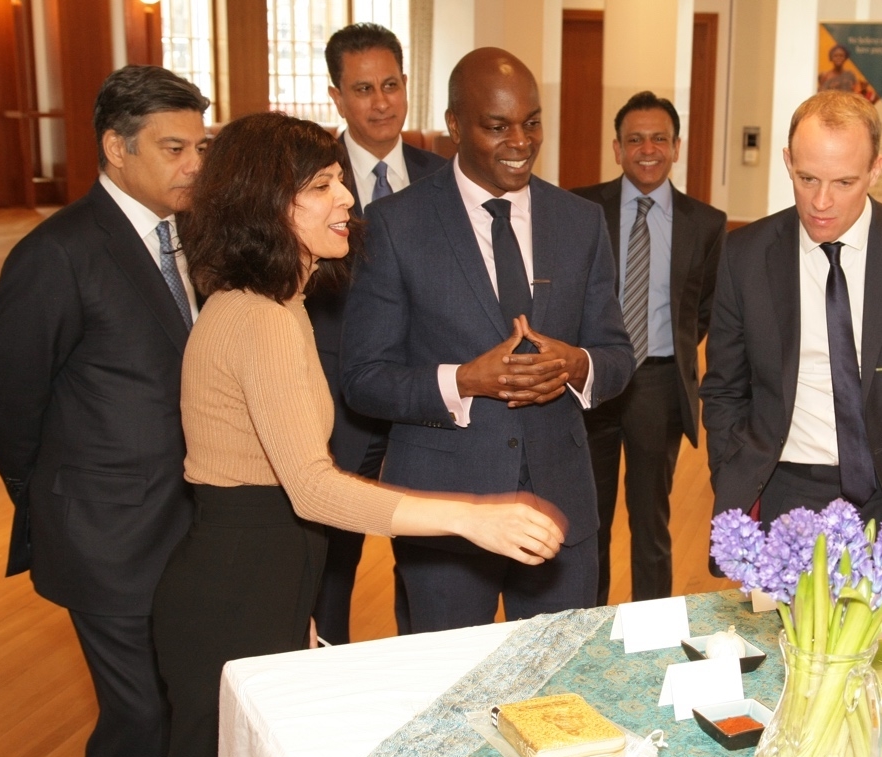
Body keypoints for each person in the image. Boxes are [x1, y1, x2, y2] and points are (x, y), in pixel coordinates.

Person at [141, 112, 564, 757]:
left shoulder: (280, 306)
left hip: (259, 574)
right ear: (269, 204)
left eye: (340, 180)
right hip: (234, 582)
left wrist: (289, 602)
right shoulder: (259, 319)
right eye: (322, 185)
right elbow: (310, 486)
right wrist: (472, 514)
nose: (347, 201)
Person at [0, 66, 208, 757]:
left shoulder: (187, 237)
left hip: (188, 527)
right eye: (173, 147)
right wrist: (61, 502)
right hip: (107, 541)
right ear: (116, 150)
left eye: (199, 146)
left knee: (176, 716)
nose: (193, 164)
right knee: (141, 720)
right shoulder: (59, 253)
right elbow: (10, 404)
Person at [341, 48, 635, 633]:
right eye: (497, 126)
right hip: (446, 511)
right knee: (445, 693)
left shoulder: (579, 221)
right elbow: (363, 379)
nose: (520, 141)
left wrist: (576, 365)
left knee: (557, 690)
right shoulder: (396, 225)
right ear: (455, 125)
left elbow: (617, 355)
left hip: (561, 504)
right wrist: (463, 381)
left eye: (532, 122)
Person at [700, 90, 882, 557]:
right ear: (787, 161)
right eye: (807, 177)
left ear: (876, 169)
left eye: (844, 183)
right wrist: (734, 470)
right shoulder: (745, 255)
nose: (821, 202)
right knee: (789, 632)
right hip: (787, 489)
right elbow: (724, 390)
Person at [309, 22, 447, 644]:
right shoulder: (309, 179)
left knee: (429, 567)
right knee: (331, 570)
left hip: (429, 406)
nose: (381, 101)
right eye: (363, 89)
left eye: (391, 84)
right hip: (340, 405)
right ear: (337, 97)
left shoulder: (446, 176)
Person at [572, 92, 726, 604]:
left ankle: (653, 631)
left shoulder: (705, 223)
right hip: (590, 382)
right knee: (587, 522)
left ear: (676, 147)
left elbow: (702, 310)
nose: (647, 149)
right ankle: (586, 627)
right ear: (616, 148)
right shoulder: (579, 210)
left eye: (659, 138)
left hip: (657, 385)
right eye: (634, 139)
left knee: (651, 524)